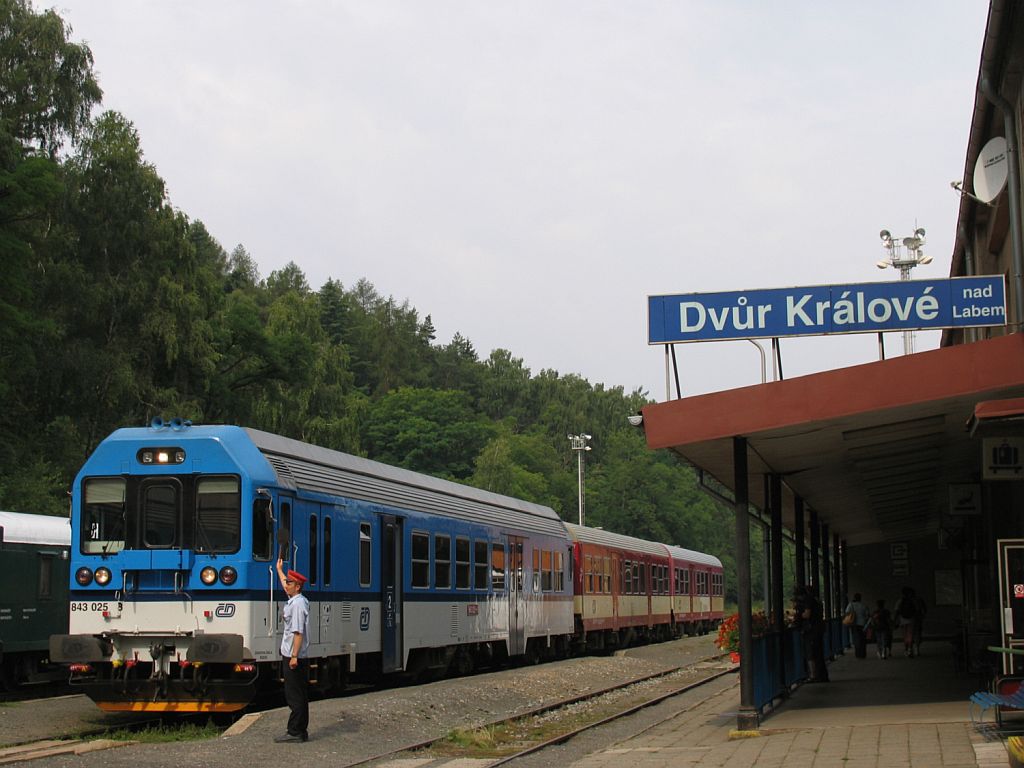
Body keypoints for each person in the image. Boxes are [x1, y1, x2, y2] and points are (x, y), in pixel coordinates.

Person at [274, 558, 310, 743]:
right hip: (294, 654)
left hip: (293, 655)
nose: (286, 585)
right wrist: (279, 570)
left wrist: (294, 656)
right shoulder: (296, 600)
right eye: (286, 582)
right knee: (299, 694)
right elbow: (284, 583)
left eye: (289, 583)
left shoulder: (297, 605)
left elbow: (298, 632)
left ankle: (295, 731)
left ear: (297, 586)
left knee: (294, 695)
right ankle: (300, 730)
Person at [794, 585, 829, 682]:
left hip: (812, 631)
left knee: (811, 653)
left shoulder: (808, 601)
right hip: (818, 629)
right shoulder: (816, 600)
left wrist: (799, 615)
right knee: (818, 653)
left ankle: (814, 676)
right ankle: (821, 676)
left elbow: (807, 614)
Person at [893, 586, 919, 657]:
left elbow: (897, 611)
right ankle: (910, 649)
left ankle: (906, 649)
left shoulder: (900, 601)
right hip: (911, 619)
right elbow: (917, 610)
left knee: (905, 635)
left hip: (902, 620)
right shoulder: (913, 601)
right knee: (910, 634)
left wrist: (895, 620)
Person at [844, 592, 869, 659]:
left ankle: (858, 654)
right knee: (863, 639)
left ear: (854, 598)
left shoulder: (851, 605)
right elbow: (867, 615)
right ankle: (863, 653)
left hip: (854, 624)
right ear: (860, 598)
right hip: (863, 624)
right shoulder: (864, 605)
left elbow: (847, 612)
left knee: (856, 639)